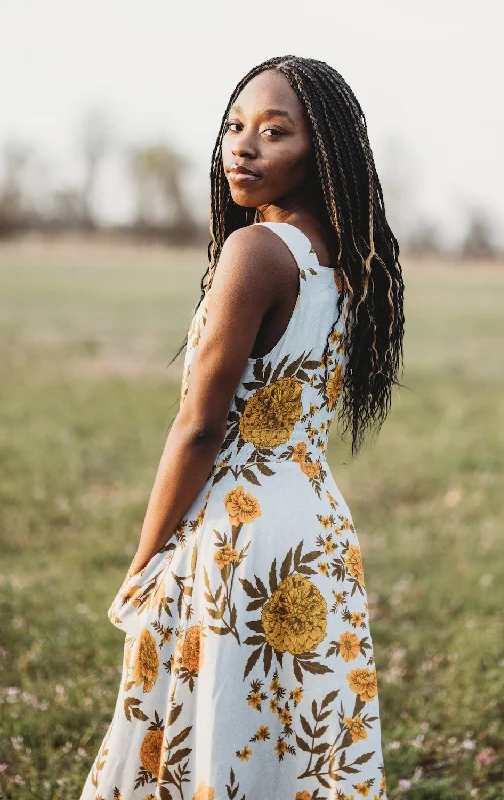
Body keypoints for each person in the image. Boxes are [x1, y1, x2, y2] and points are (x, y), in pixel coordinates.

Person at [80, 54, 404, 800]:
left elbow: (200, 427)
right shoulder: (343, 258)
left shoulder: (256, 250)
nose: (243, 146)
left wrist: (142, 560)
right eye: (235, 126)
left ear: (318, 150)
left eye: (274, 131)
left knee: (217, 733)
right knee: (290, 747)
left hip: (238, 534)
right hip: (315, 528)